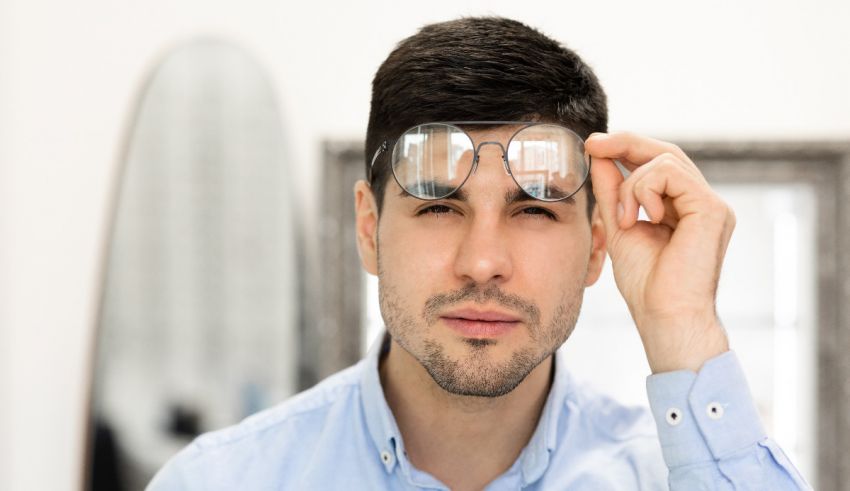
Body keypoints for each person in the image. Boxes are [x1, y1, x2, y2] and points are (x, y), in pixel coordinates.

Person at [148, 16, 812, 490]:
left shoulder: (666, 474)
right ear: (370, 227)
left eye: (535, 209)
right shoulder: (220, 479)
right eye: (438, 205)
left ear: (596, 245)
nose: (483, 261)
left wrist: (685, 328)